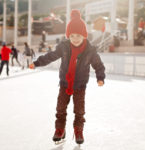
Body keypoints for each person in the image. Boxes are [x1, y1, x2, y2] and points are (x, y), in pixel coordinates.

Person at [29, 9, 105, 145]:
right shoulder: (63, 47)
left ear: (84, 36)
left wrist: (100, 77)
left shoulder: (90, 51)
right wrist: (37, 63)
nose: (75, 39)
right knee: (60, 109)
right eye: (73, 35)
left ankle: (78, 130)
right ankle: (60, 129)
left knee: (79, 110)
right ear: (69, 35)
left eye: (79, 36)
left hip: (80, 85)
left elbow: (98, 65)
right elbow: (50, 56)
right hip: (65, 84)